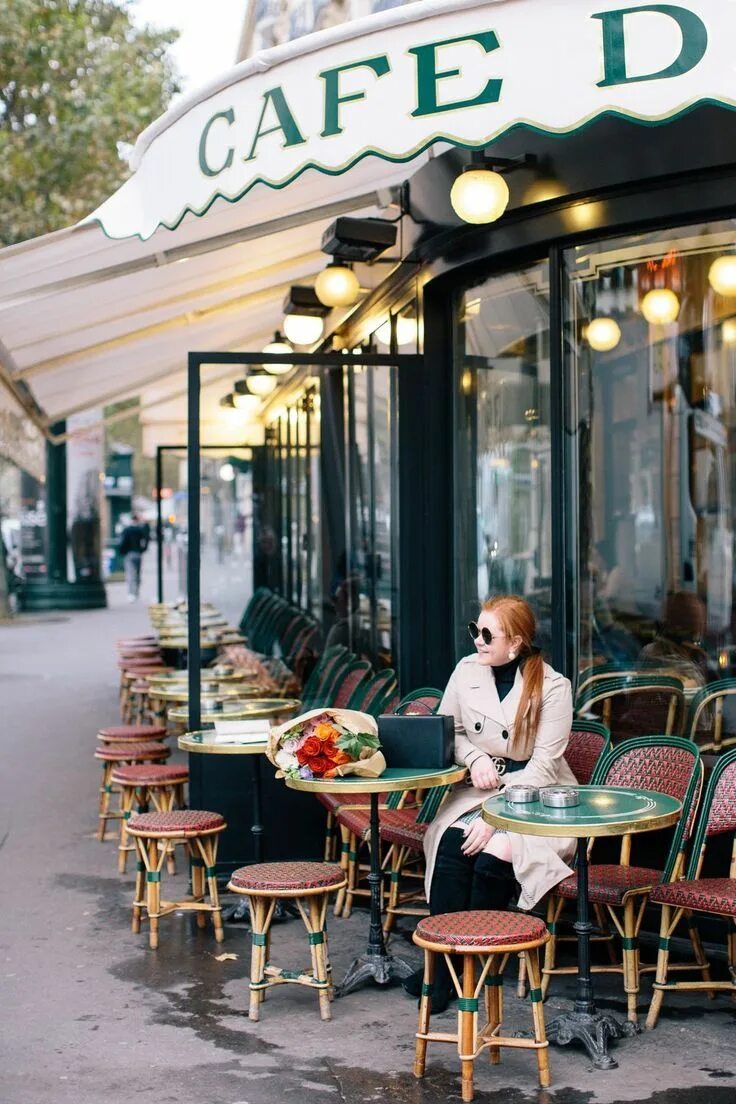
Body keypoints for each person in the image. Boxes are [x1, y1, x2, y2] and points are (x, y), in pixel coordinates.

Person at [403, 594, 576, 1012]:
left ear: (515, 643)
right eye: (473, 630)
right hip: (476, 788)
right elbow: (450, 731)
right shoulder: (466, 671)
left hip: (534, 800)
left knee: (491, 854)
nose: (476, 641)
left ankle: (476, 963)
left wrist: (494, 816)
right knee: (450, 847)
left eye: (486, 634)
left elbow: (545, 767)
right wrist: (476, 757)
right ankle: (441, 964)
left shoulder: (553, 687)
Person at [118, 513, 149, 602]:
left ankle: (131, 593)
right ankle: (136, 592)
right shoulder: (140, 530)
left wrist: (122, 551)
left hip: (129, 554)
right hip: (138, 554)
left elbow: (123, 542)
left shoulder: (127, 530)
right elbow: (146, 539)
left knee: (131, 574)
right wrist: (143, 549)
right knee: (138, 574)